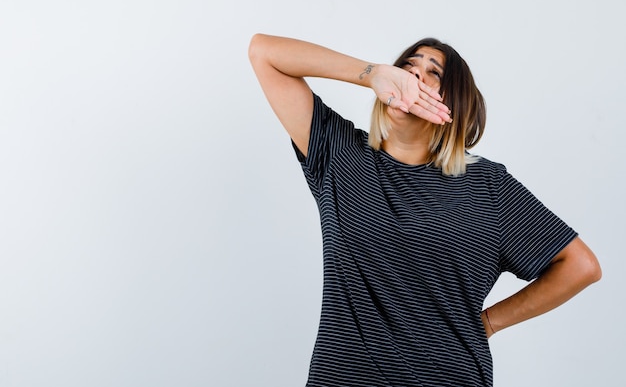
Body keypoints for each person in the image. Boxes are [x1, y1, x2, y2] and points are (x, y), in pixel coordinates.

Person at [248, 33, 601, 387]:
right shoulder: (340, 155)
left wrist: (490, 323)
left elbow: (580, 266)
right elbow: (264, 52)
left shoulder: (487, 185)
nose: (413, 76)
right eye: (407, 66)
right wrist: (371, 73)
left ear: (454, 103)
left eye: (433, 73)